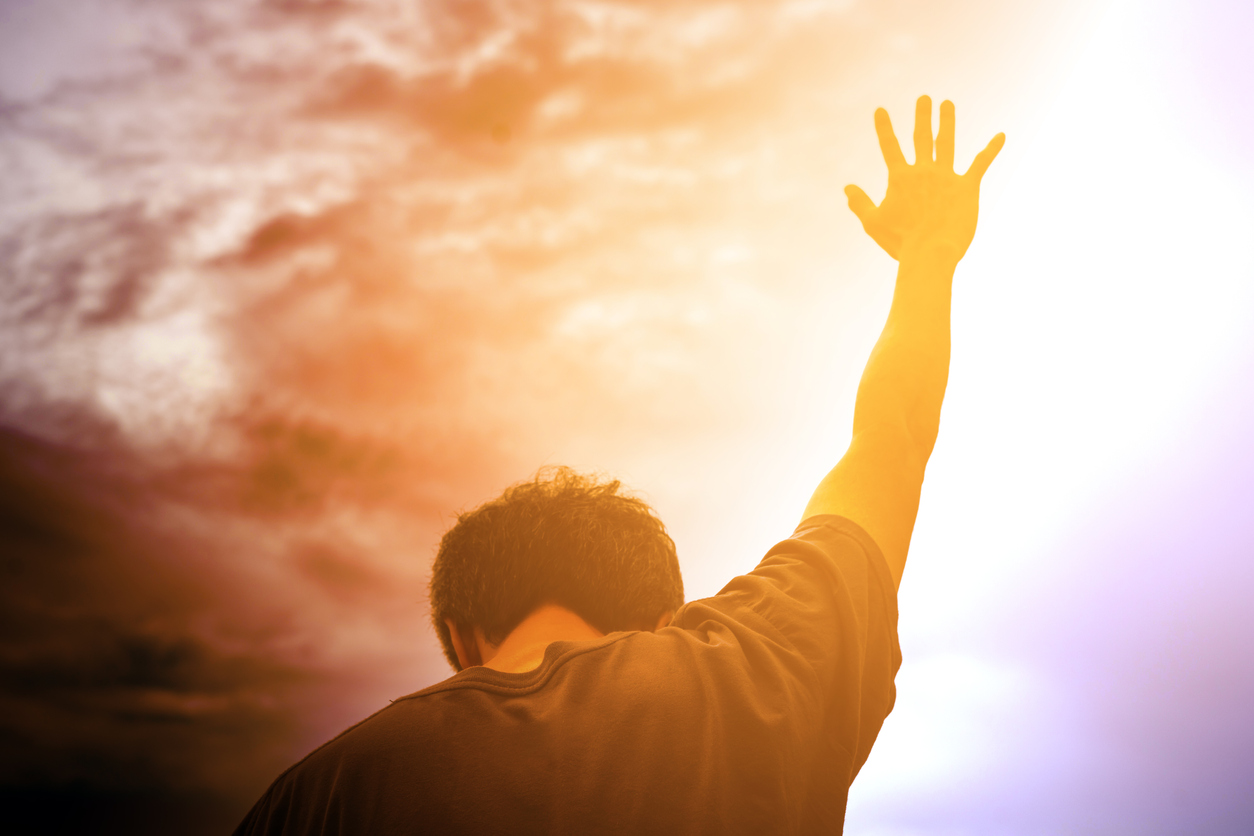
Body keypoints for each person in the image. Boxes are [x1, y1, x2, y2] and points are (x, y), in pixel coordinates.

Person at [234, 95, 1004, 835]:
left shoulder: (310, 801)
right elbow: (890, 439)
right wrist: (928, 260)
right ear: (662, 620)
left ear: (465, 637)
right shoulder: (758, 677)